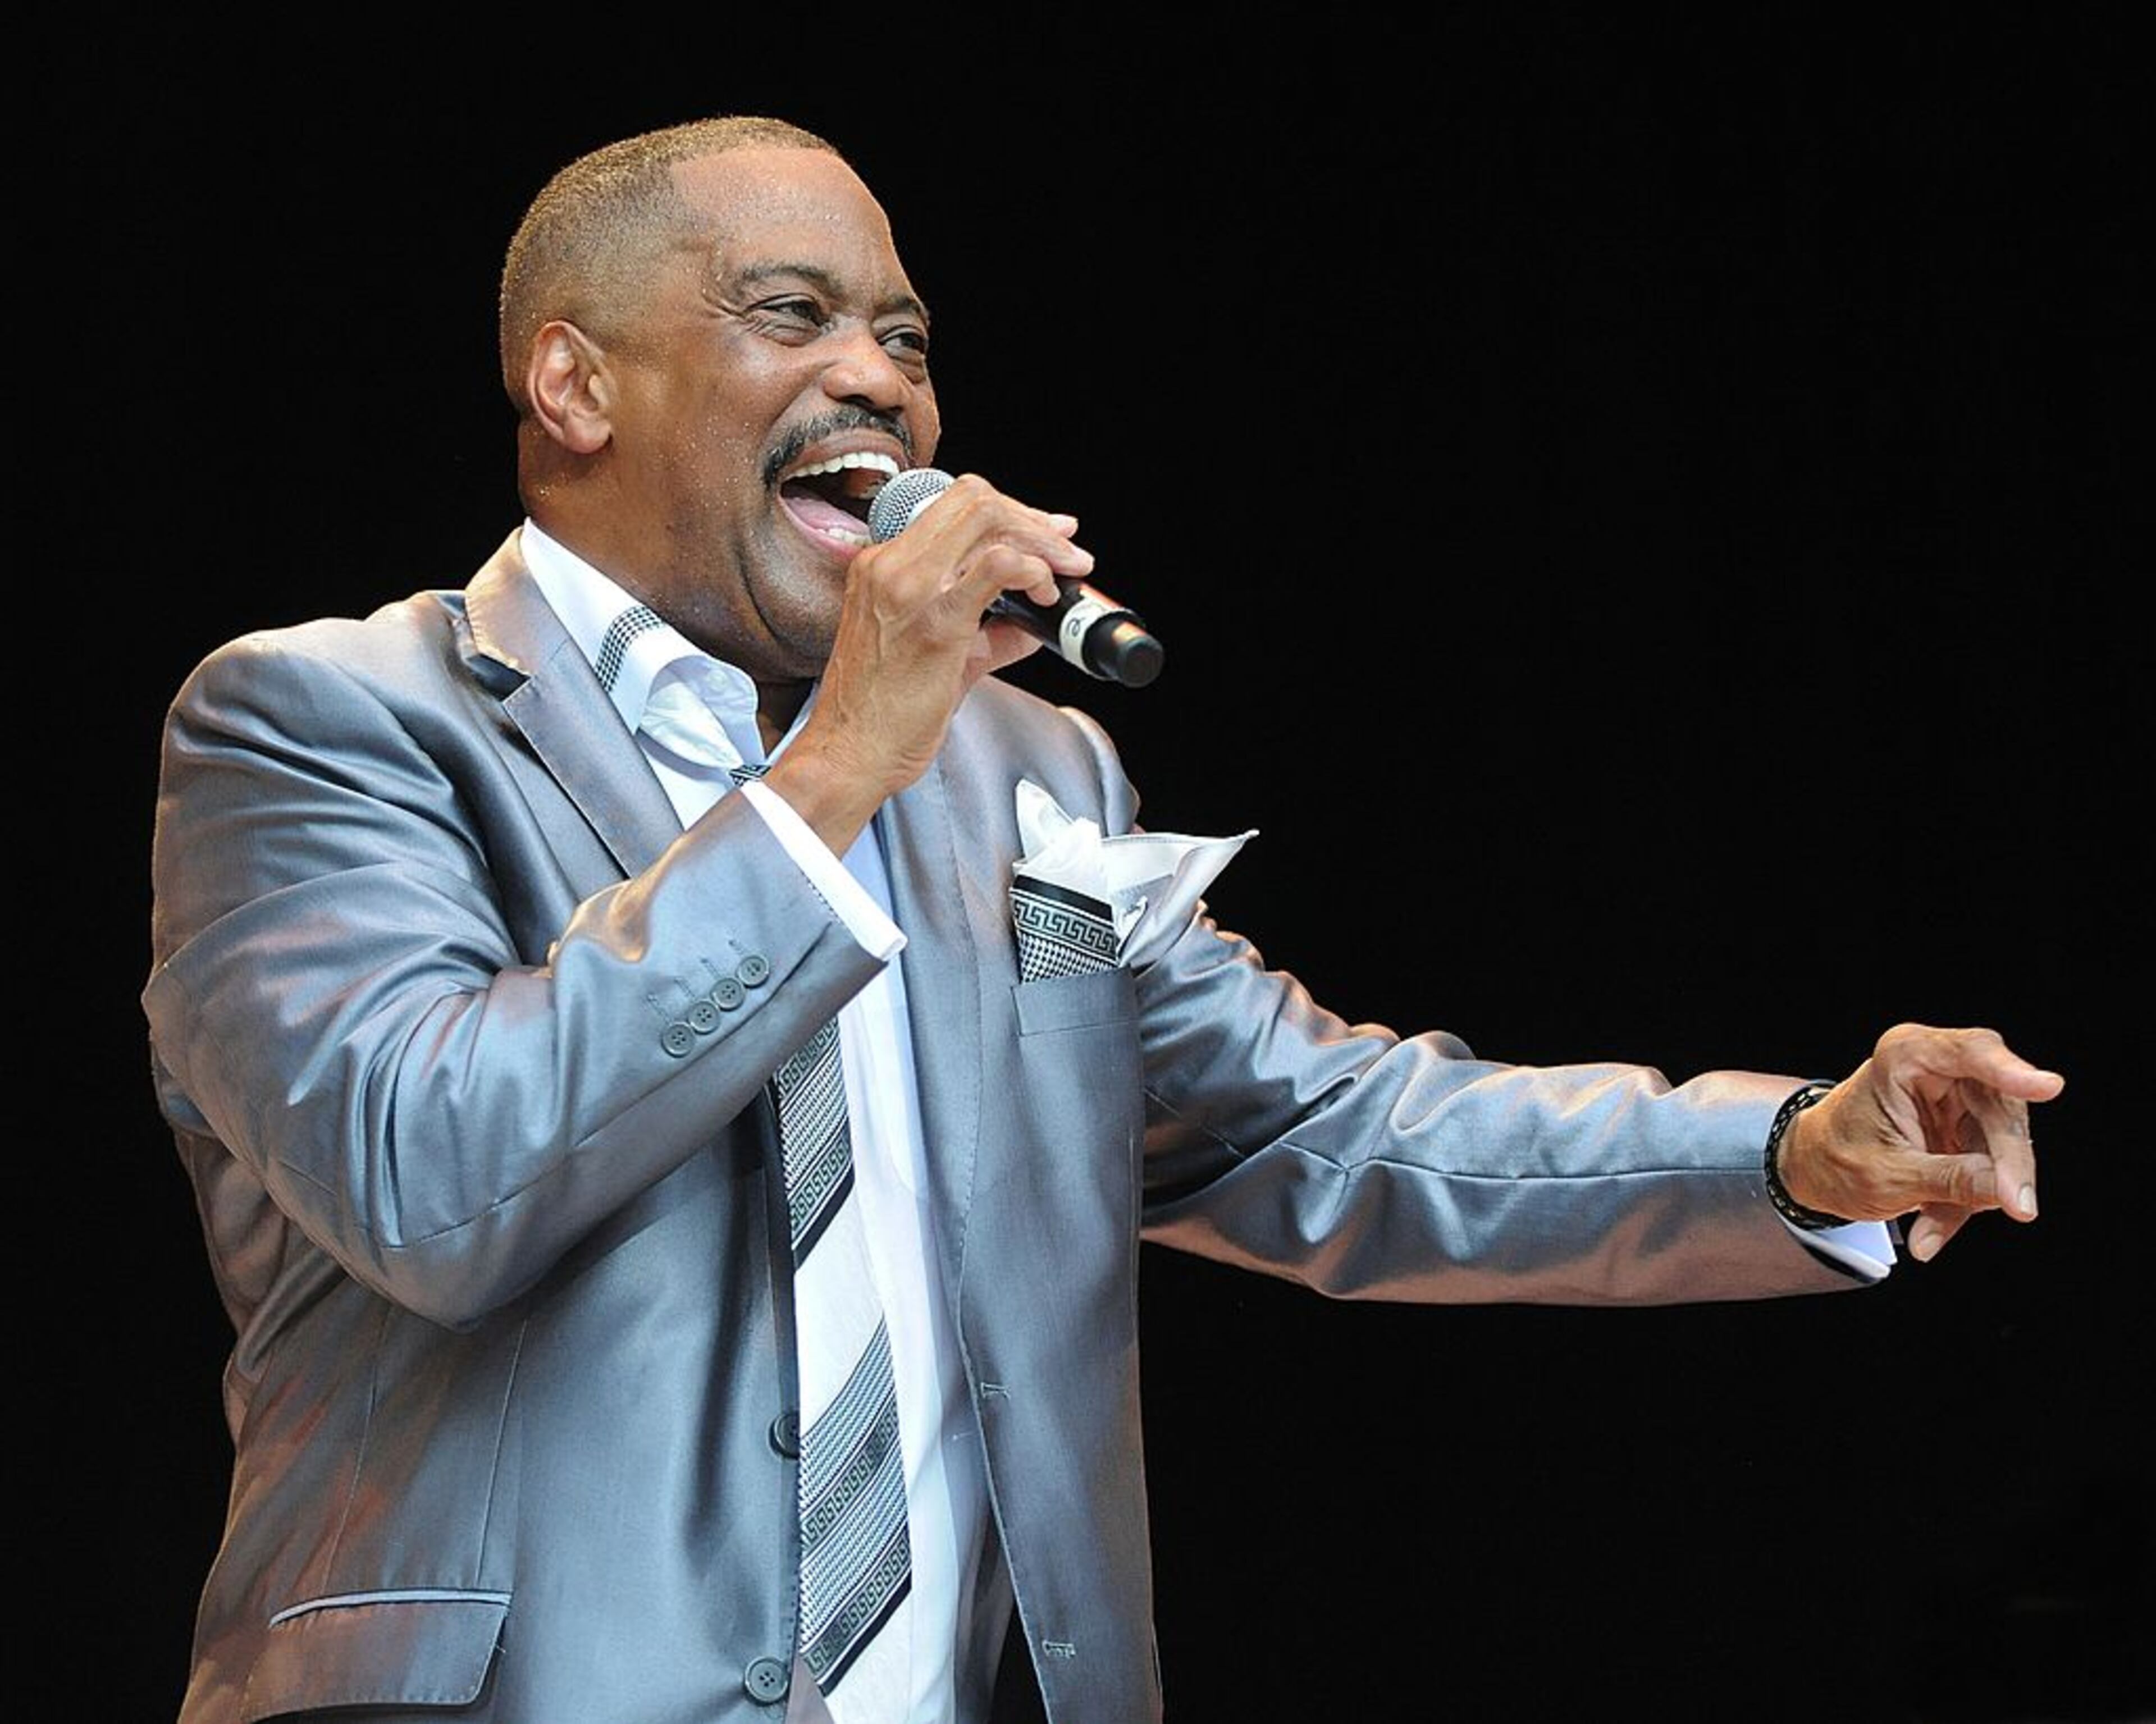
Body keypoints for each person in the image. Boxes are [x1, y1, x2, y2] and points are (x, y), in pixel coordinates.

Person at [143, 115, 2062, 1724]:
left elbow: (1315, 1125)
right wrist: (840, 767)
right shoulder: (327, 721)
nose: (877, 378)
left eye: (905, 336)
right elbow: (431, 1179)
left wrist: (1788, 1155)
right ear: (575, 383)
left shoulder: (1023, 775)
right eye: (791, 314)